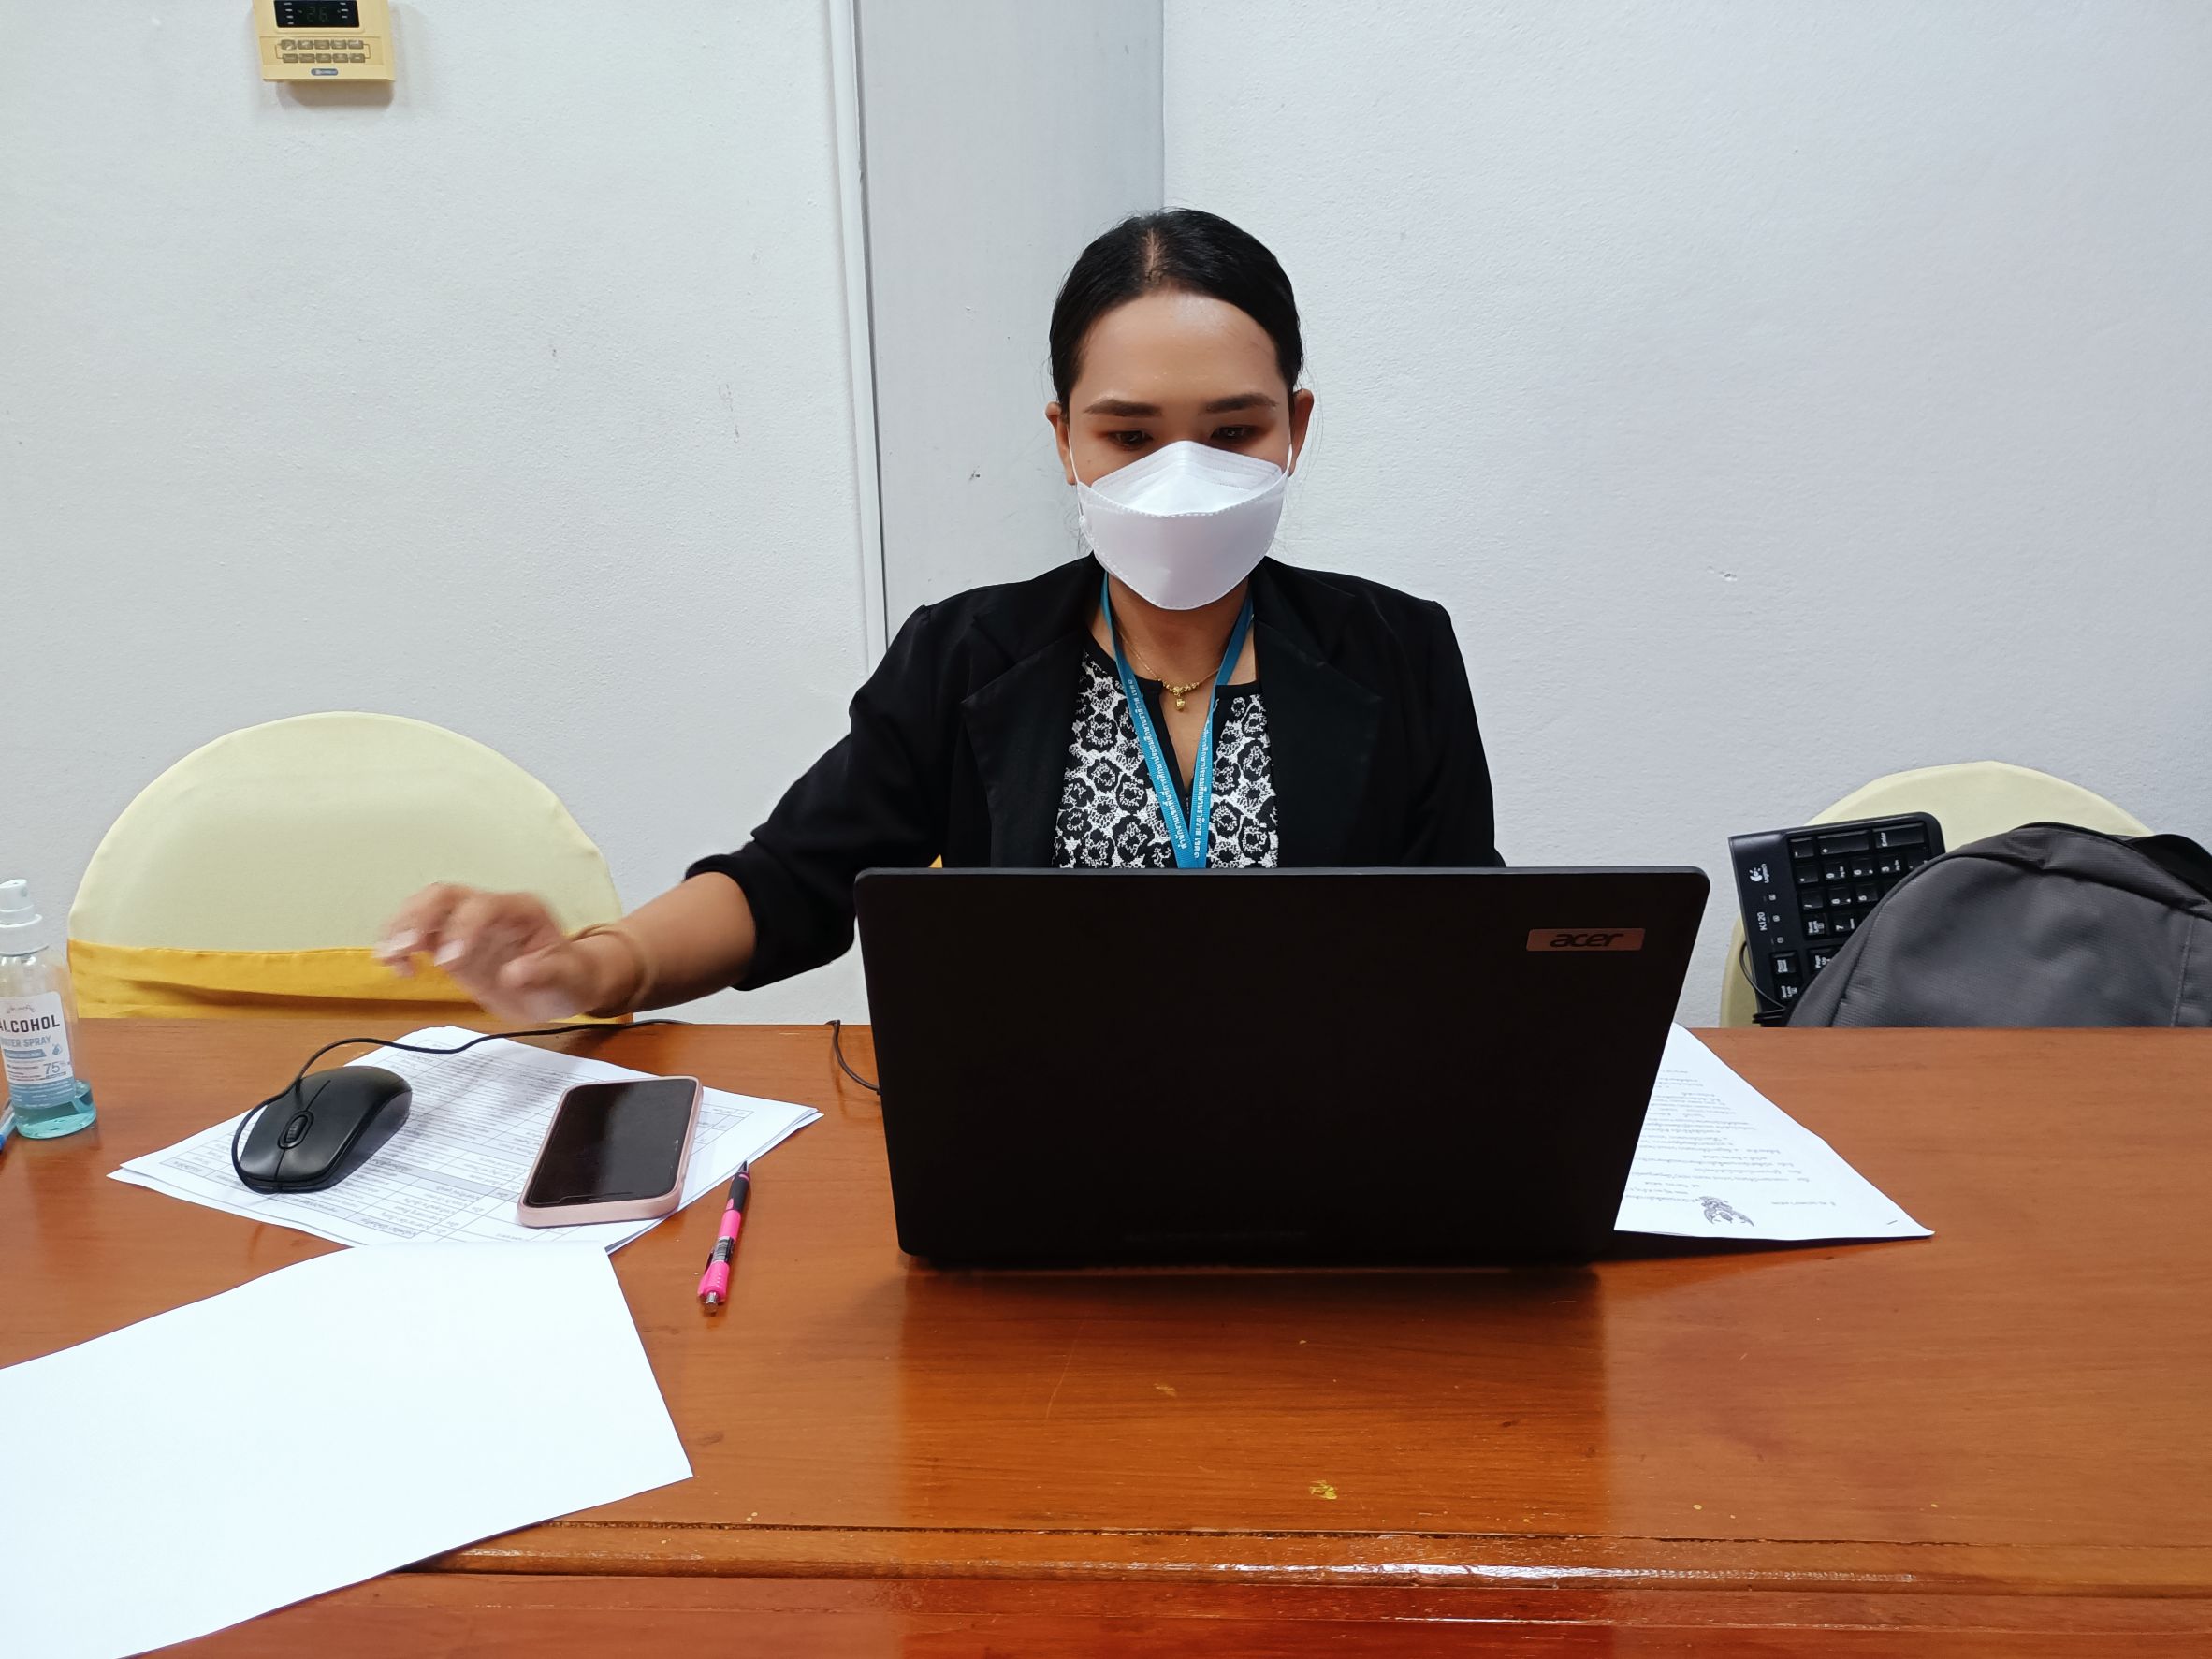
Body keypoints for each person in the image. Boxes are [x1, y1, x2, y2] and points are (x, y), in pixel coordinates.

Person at [377, 209, 1500, 1019]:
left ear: (1295, 427)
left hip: (1332, 1136)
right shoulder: (966, 658)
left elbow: (1472, 944)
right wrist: (591, 967)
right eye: (1128, 434)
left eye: (1233, 431)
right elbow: (790, 879)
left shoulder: (1396, 652)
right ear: (1063, 437)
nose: (1180, 474)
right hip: (1038, 1141)